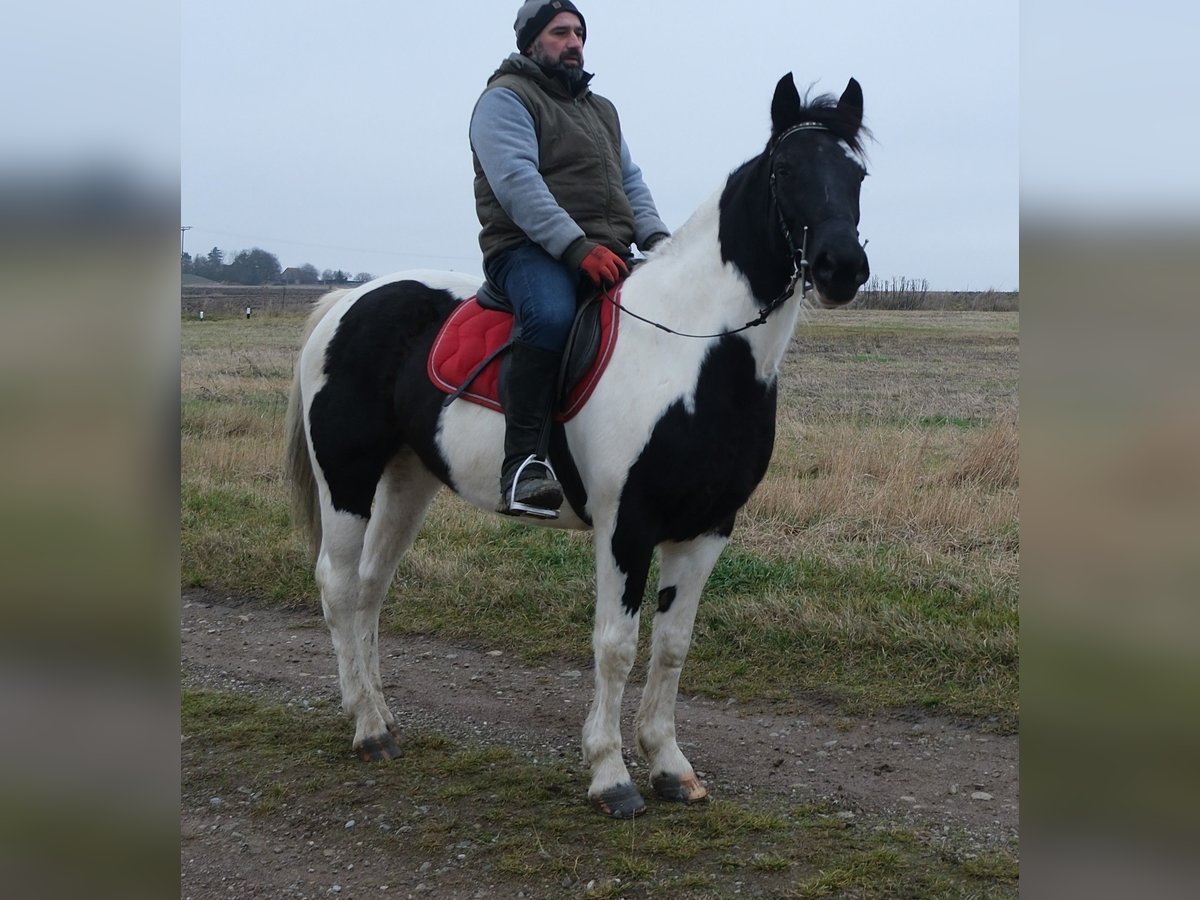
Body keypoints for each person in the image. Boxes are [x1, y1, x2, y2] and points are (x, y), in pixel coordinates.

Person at [470, 0, 670, 519]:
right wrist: (576, 248)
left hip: (607, 250)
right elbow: (518, 183)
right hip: (527, 250)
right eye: (561, 32)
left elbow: (631, 181)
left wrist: (659, 241)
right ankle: (522, 466)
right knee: (552, 316)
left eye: (579, 32)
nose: (574, 42)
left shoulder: (601, 109)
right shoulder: (504, 99)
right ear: (532, 41)